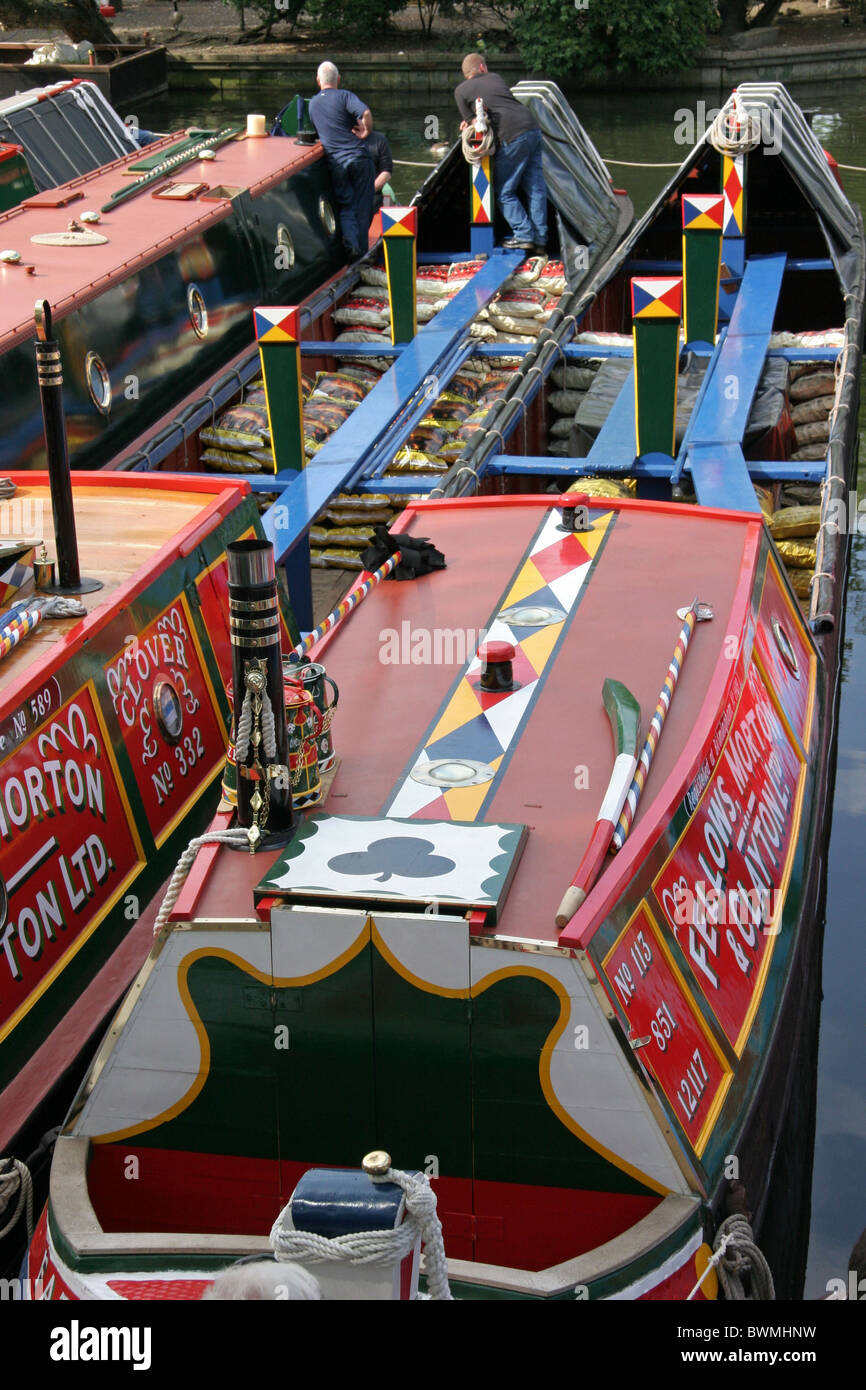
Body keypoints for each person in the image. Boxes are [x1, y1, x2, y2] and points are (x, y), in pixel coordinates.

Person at [454, 53, 547, 255]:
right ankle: (540, 239)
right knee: (536, 187)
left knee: (503, 191)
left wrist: (467, 122)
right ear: (482, 68)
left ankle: (523, 235)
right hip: (532, 128)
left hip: (511, 134)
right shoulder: (496, 78)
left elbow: (473, 122)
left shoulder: (460, 91)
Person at [308, 61, 375, 259]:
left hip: (336, 162)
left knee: (346, 205)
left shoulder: (312, 104)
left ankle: (351, 246)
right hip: (358, 157)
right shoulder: (345, 95)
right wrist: (366, 130)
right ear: (338, 79)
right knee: (363, 205)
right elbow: (365, 113)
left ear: (318, 80)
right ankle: (362, 252)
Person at [365, 129, 395, 211]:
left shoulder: (379, 139)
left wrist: (366, 192)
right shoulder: (338, 138)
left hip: (373, 200)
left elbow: (386, 172)